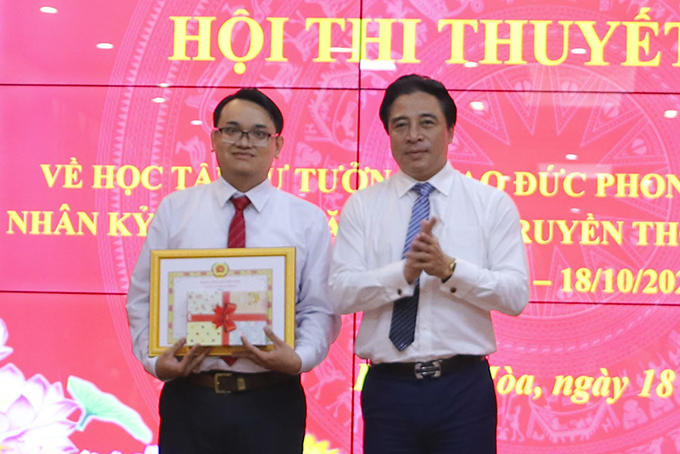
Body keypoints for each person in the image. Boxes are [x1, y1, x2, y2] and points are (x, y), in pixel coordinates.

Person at [126, 88, 340, 454]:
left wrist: (299, 358)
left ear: (277, 145)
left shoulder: (307, 220)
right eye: (232, 130)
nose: (244, 141)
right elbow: (144, 297)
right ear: (214, 139)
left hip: (272, 401)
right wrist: (156, 361)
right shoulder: (176, 210)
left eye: (259, 133)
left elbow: (319, 307)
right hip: (190, 399)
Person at [329, 74, 529, 454]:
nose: (413, 136)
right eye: (400, 125)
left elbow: (515, 295)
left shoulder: (491, 204)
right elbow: (340, 294)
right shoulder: (363, 206)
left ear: (450, 131)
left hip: (463, 387)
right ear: (388, 134)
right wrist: (402, 274)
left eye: (426, 123)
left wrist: (450, 270)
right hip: (389, 388)